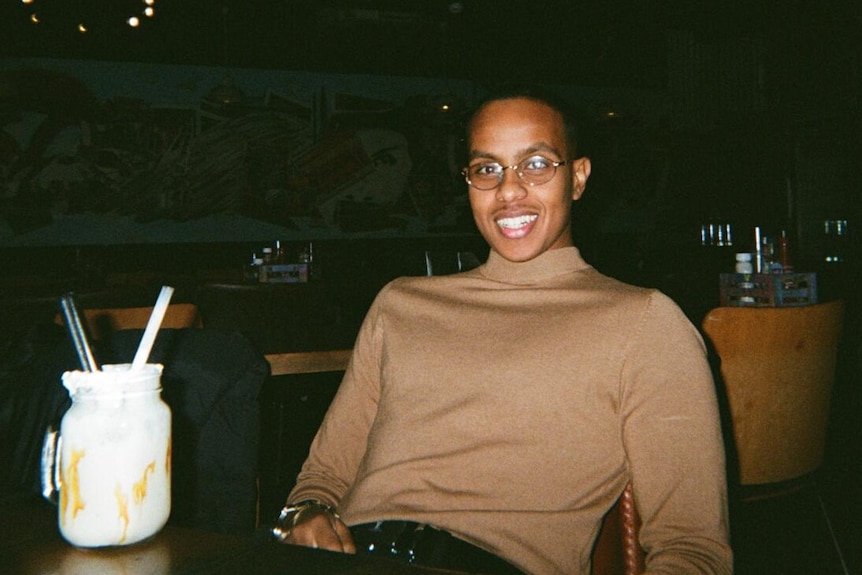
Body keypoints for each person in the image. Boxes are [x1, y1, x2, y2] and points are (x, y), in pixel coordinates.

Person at [275, 85, 733, 575]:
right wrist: (305, 514)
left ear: (577, 178)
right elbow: (322, 477)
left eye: (536, 164)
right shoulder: (401, 304)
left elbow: (691, 548)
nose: (509, 191)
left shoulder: (644, 321)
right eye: (487, 169)